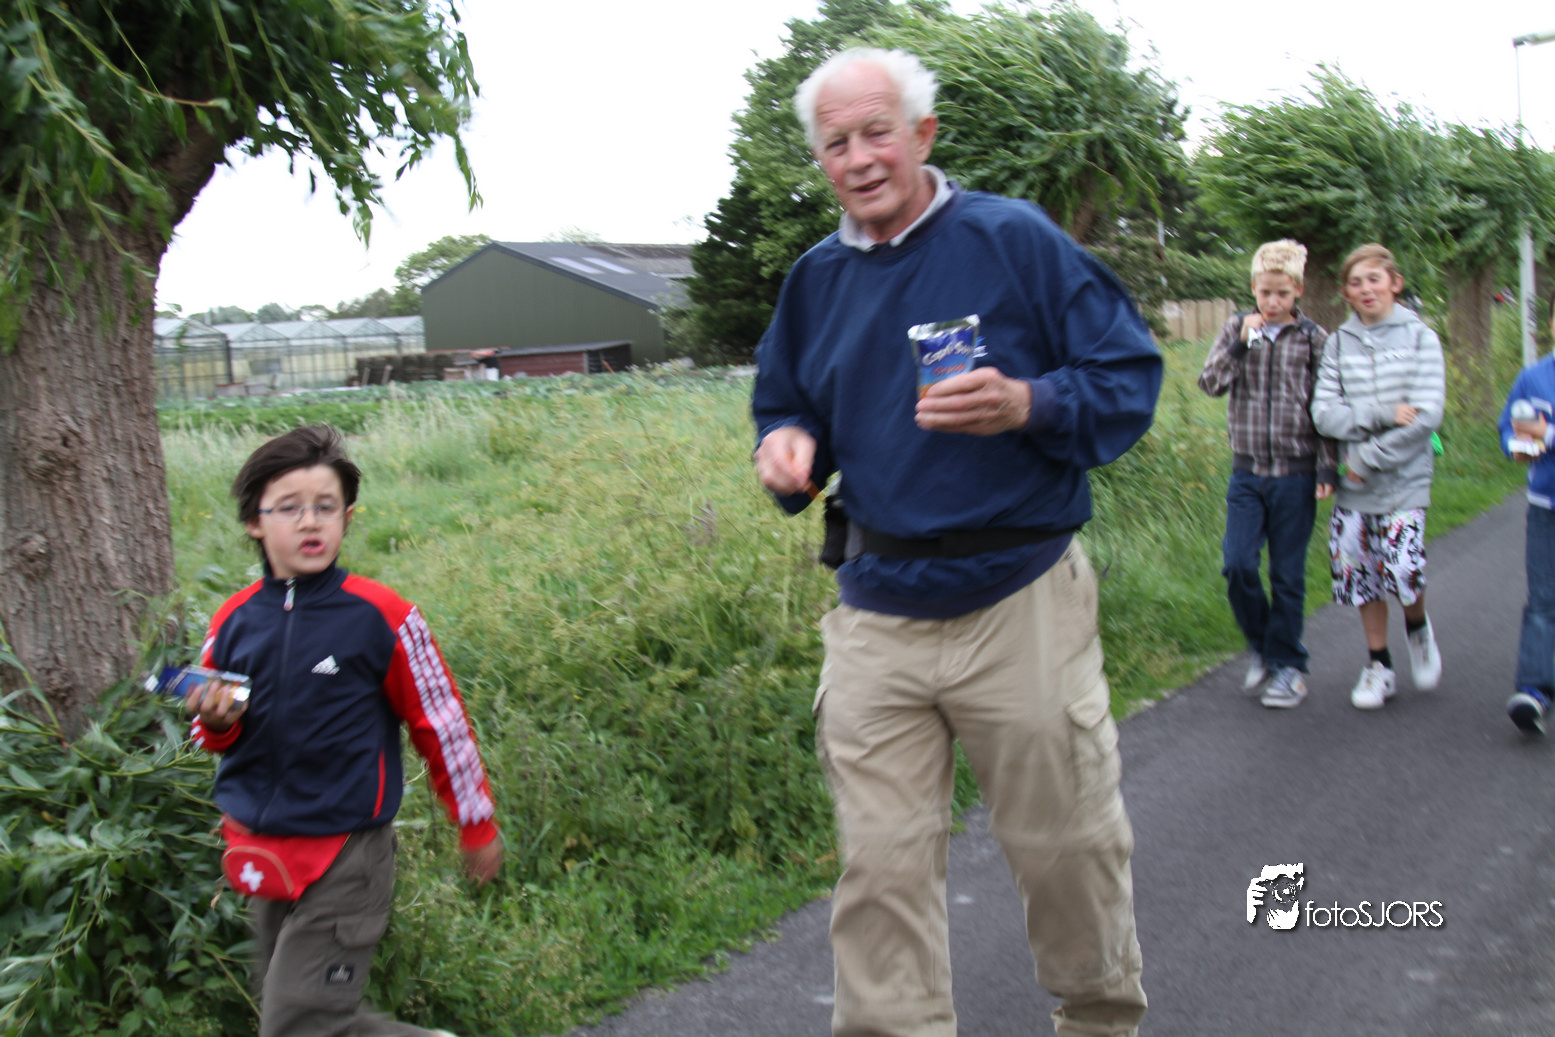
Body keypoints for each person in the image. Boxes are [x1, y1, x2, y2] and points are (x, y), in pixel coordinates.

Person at [752, 47, 1159, 1037]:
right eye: (836, 142)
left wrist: (1027, 401)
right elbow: (786, 401)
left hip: (1018, 595)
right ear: (820, 158)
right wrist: (787, 444)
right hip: (876, 607)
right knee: (880, 867)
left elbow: (1126, 377)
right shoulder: (814, 280)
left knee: (1064, 847)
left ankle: (1097, 1018)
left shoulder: (1011, 239)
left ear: (922, 134)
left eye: (876, 132)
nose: (858, 158)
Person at [184, 424, 500, 1037]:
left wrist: (475, 823)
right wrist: (216, 722)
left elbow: (441, 724)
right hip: (261, 849)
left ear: (347, 519)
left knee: (297, 1024)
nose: (310, 522)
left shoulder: (381, 616)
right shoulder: (232, 620)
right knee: (301, 1016)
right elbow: (211, 734)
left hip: (346, 853)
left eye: (326, 507)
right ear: (253, 522)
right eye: (289, 508)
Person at [1198, 240, 1336, 709]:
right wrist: (1241, 344)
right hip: (1248, 472)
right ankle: (1263, 644)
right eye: (1264, 293)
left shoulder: (1313, 339)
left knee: (1287, 574)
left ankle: (1289, 669)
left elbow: (1325, 407)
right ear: (1253, 288)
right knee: (1237, 564)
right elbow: (1210, 383)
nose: (1272, 302)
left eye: (1282, 293)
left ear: (1298, 290)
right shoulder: (1237, 328)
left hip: (1296, 473)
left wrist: (1328, 465)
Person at [1310, 243, 1445, 710]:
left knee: (1404, 568)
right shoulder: (1337, 344)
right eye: (1356, 282)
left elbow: (1425, 417)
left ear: (1394, 283)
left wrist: (1366, 457)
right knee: (1359, 573)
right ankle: (1378, 665)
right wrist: (1381, 412)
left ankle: (1417, 627)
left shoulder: (1420, 338)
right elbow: (1324, 413)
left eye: (1374, 279)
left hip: (1403, 479)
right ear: (1345, 292)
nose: (1366, 289)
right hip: (1354, 490)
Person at [1500, 298, 1555, 734]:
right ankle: (1534, 692)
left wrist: (1547, 433)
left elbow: (1543, 432)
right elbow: (1509, 427)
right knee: (1543, 601)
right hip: (1545, 507)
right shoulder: (1533, 376)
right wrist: (1517, 447)